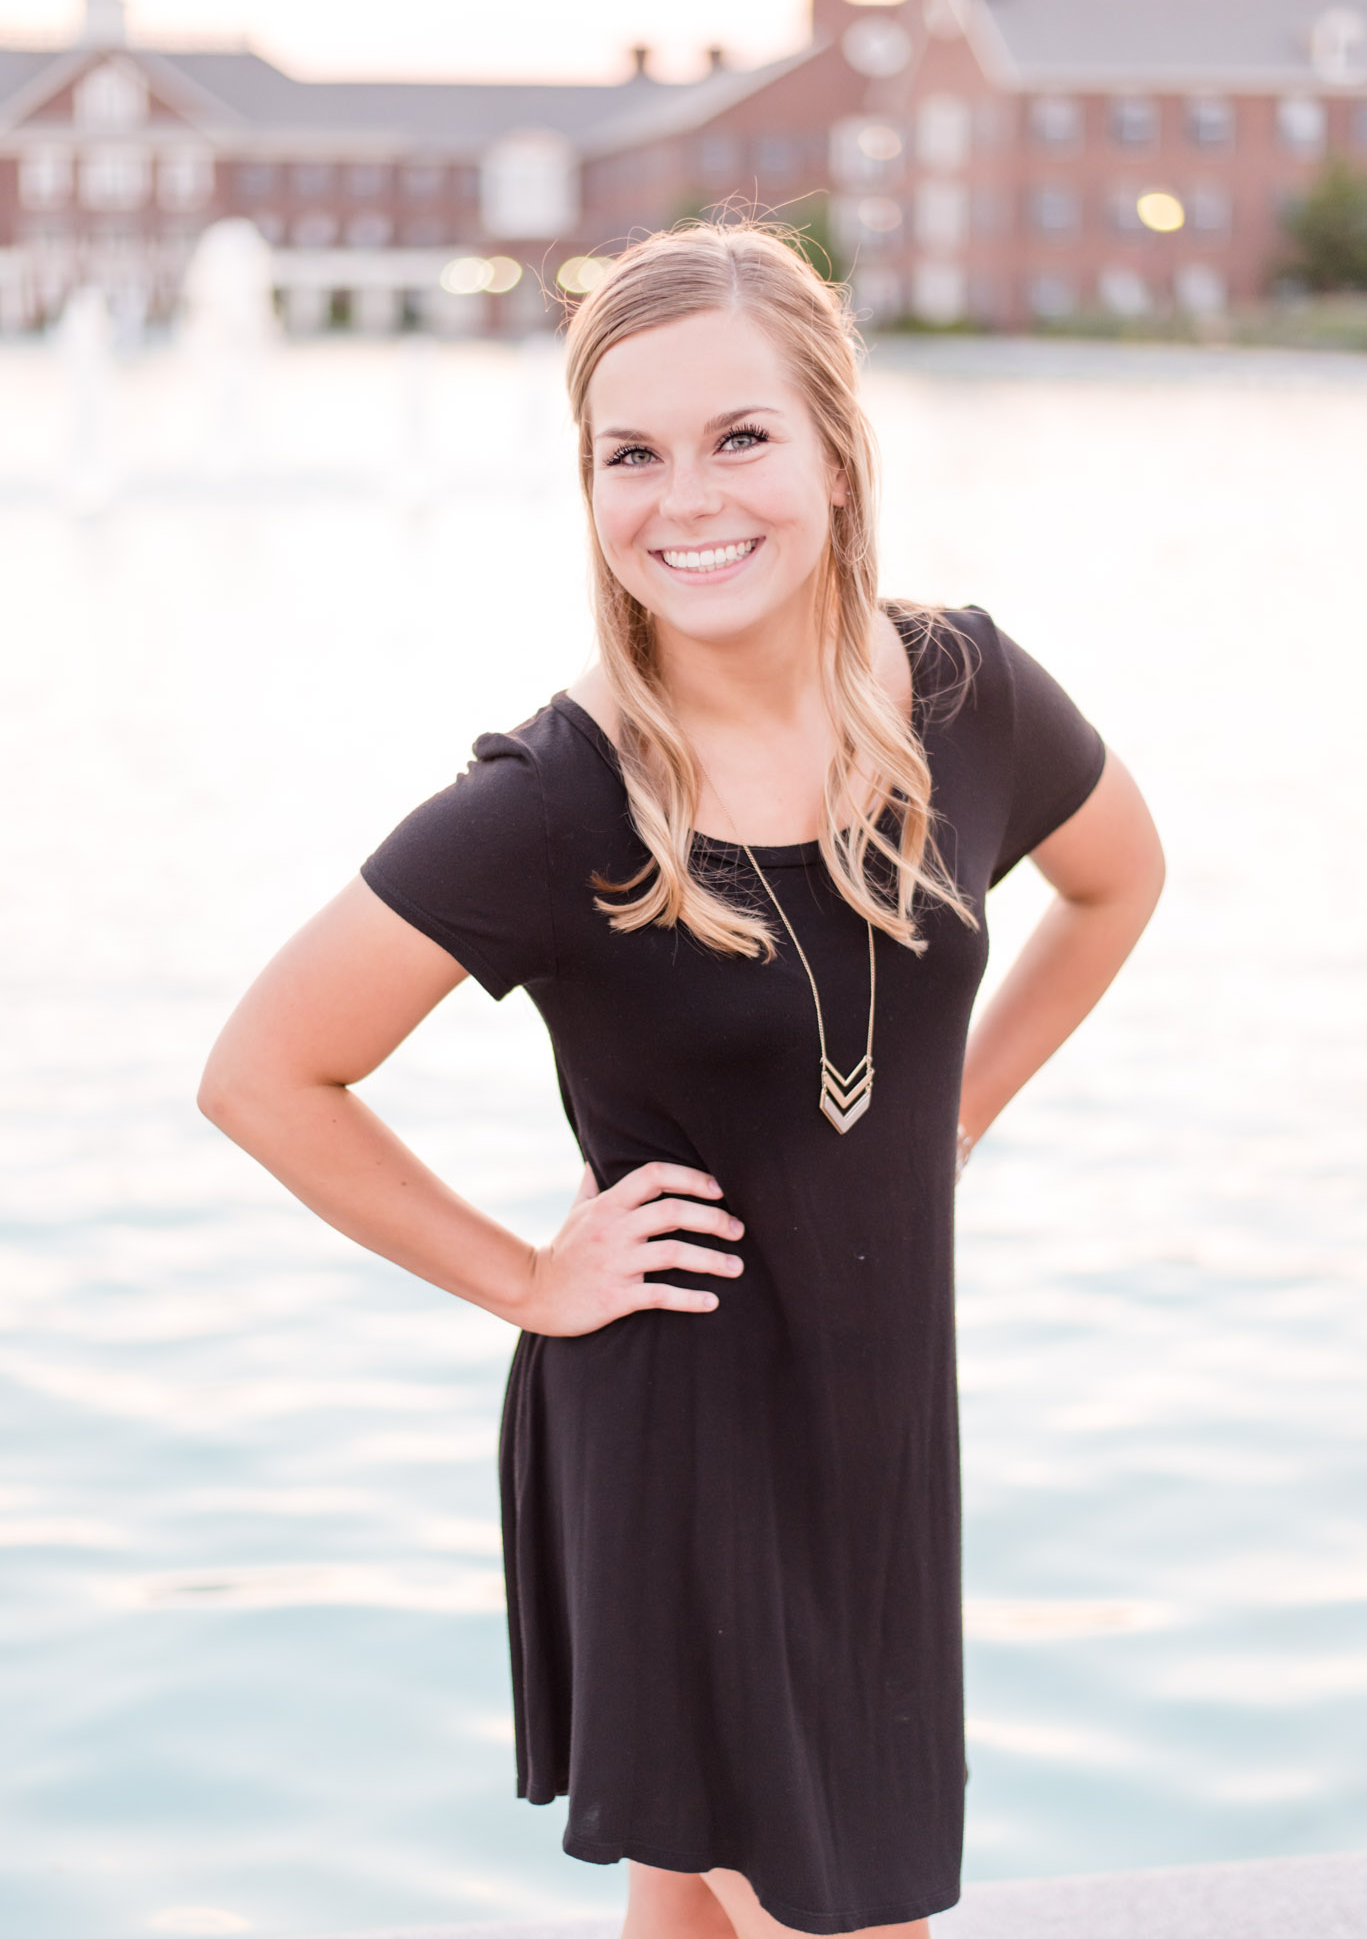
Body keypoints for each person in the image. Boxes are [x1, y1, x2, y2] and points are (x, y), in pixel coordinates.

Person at [198, 221, 1164, 1939]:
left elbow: (1117, 884)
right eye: (628, 455)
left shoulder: (965, 695)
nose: (685, 499)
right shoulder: (556, 804)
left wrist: (956, 1118)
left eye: (739, 438)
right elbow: (268, 1073)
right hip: (677, 1437)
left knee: (696, 1908)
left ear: (835, 450)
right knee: (846, 1911)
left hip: (875, 1446)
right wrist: (525, 1274)